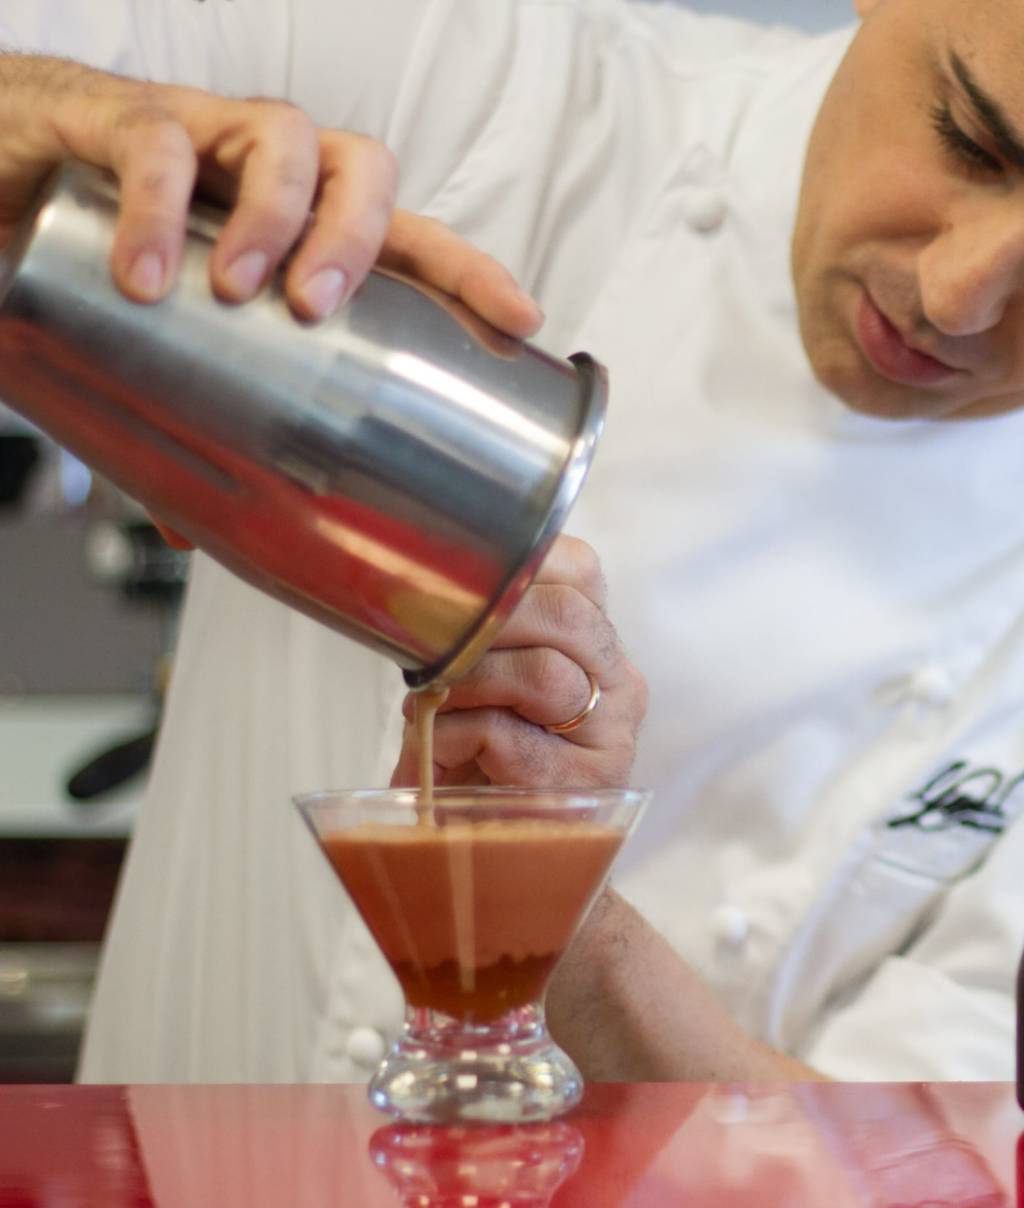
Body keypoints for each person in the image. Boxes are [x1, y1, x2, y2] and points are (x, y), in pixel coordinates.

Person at [1, 0, 1022, 1085]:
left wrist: (555, 903)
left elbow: (911, 1154)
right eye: (966, 134)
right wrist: (37, 133)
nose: (958, 296)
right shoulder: (461, 75)